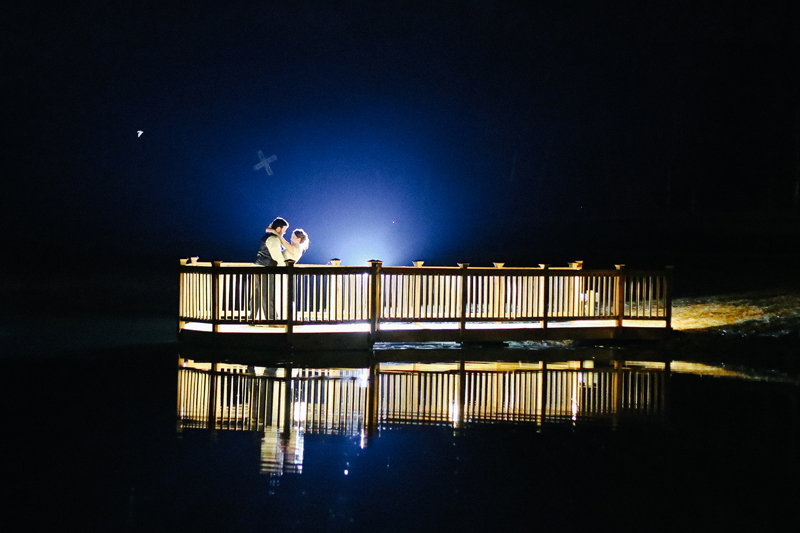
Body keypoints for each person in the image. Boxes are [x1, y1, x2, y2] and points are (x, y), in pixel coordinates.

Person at [253, 217, 289, 321]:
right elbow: (276, 256)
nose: (284, 232)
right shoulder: (273, 239)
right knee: (268, 295)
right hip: (266, 268)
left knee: (256, 295)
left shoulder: (268, 237)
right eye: (284, 230)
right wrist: (285, 268)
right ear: (279, 229)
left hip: (259, 266)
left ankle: (251, 318)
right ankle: (272, 319)